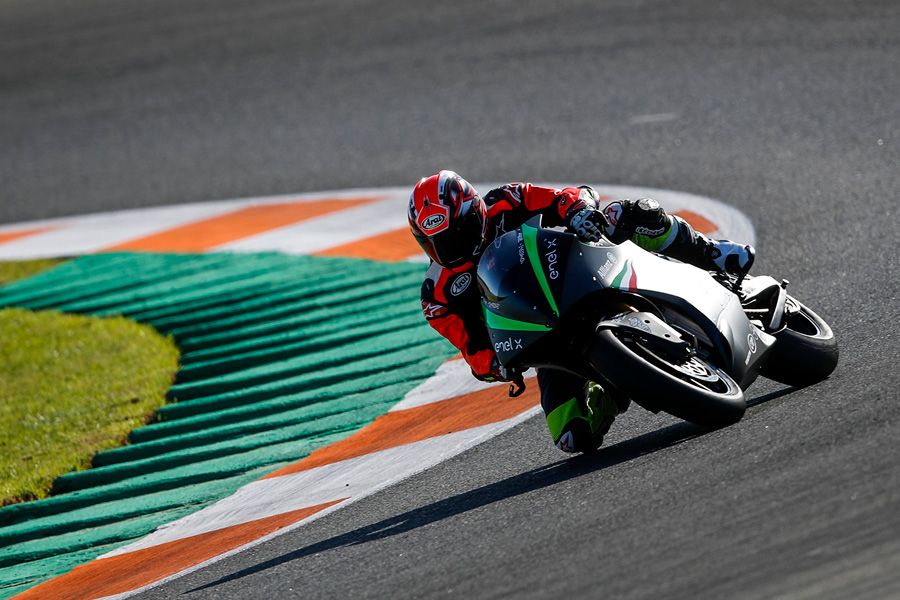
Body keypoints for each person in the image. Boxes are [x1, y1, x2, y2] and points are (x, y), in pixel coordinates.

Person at [408, 170, 754, 453]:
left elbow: (568, 195)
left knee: (626, 214)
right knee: (572, 435)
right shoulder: (437, 297)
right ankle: (618, 384)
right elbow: (473, 353)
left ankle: (711, 253)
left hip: (585, 267)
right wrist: (498, 365)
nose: (450, 249)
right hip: (548, 336)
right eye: (437, 243)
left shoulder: (506, 199)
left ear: (476, 212)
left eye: (458, 234)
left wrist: (579, 212)